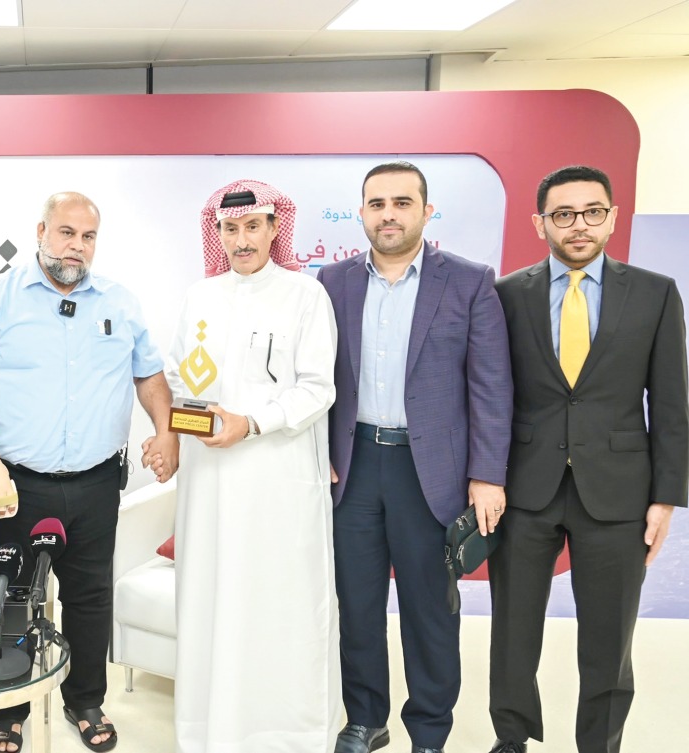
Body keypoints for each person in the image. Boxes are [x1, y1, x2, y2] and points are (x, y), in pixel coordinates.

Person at [0, 191, 177, 753]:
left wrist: (164, 430)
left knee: (90, 598)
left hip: (96, 483)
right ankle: (9, 707)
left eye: (88, 237)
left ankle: (85, 700)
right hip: (17, 485)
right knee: (13, 595)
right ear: (41, 230)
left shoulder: (120, 302)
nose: (77, 247)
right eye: (67, 233)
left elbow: (149, 376)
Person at [486, 165, 688, 753]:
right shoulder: (506, 295)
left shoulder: (655, 292)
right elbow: (493, 397)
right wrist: (485, 478)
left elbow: (671, 402)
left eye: (593, 212)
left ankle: (599, 743)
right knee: (513, 632)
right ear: (540, 223)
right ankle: (511, 738)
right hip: (525, 489)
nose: (580, 225)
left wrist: (665, 497)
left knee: (609, 638)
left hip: (619, 491)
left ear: (613, 216)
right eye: (564, 214)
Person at [315, 161, 512, 753]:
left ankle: (428, 730)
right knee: (359, 605)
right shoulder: (332, 281)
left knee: (431, 612)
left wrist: (487, 475)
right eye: (377, 204)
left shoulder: (470, 281)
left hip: (430, 474)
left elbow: (491, 387)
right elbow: (316, 379)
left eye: (403, 203)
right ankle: (366, 719)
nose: (389, 214)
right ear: (362, 213)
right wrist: (317, 453)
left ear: (427, 211)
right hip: (352, 470)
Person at [165, 179, 341, 752]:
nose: (241, 240)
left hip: (277, 482)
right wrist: (180, 429)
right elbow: (179, 382)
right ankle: (209, 731)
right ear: (217, 233)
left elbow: (318, 389)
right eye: (230, 229)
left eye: (253, 227)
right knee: (211, 599)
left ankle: (284, 734)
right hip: (210, 485)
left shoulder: (305, 296)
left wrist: (252, 423)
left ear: (274, 228)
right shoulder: (201, 297)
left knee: (277, 604)